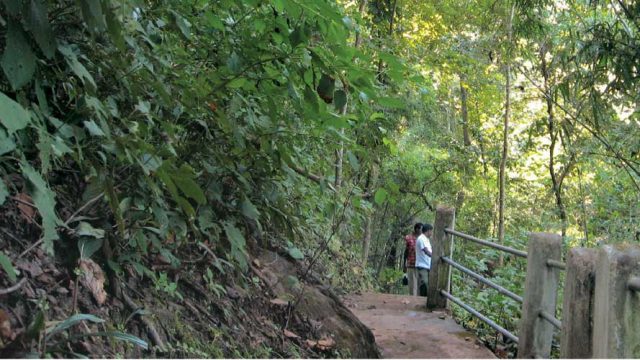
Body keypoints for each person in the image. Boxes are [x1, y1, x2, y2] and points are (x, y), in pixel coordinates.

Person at [403, 223, 422, 296]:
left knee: (420, 285)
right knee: (412, 285)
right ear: (417, 229)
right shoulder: (409, 238)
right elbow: (406, 251)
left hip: (420, 265)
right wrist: (404, 264)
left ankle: (418, 302)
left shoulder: (423, 239)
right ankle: (413, 301)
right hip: (411, 263)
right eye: (421, 229)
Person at [416, 223, 433, 297]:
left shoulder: (426, 240)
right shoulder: (421, 238)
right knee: (424, 283)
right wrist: (435, 257)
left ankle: (425, 300)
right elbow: (426, 251)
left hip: (427, 265)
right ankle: (422, 300)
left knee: (428, 284)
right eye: (431, 231)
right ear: (428, 231)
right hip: (422, 265)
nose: (432, 233)